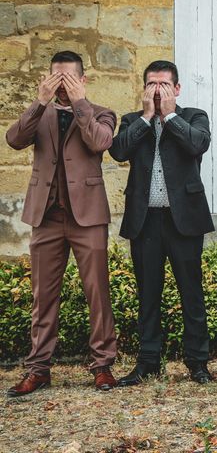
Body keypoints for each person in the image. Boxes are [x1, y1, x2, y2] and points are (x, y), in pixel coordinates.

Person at [6, 51, 118, 396]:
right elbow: (14, 139)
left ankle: (102, 365)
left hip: (87, 217)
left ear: (82, 80)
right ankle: (38, 368)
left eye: (69, 79)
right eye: (57, 79)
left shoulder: (101, 113)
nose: (62, 87)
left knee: (97, 293)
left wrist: (81, 104)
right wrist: (39, 102)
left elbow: (100, 142)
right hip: (46, 216)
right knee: (43, 296)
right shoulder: (40, 113)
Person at [109, 60, 215, 386]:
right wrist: (146, 117)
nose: (157, 91)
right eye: (151, 84)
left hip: (183, 220)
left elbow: (199, 144)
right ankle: (148, 362)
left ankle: (197, 363)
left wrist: (168, 115)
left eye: (164, 85)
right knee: (148, 295)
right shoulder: (131, 121)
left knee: (191, 294)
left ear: (177, 88)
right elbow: (118, 151)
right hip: (145, 221)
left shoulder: (193, 117)